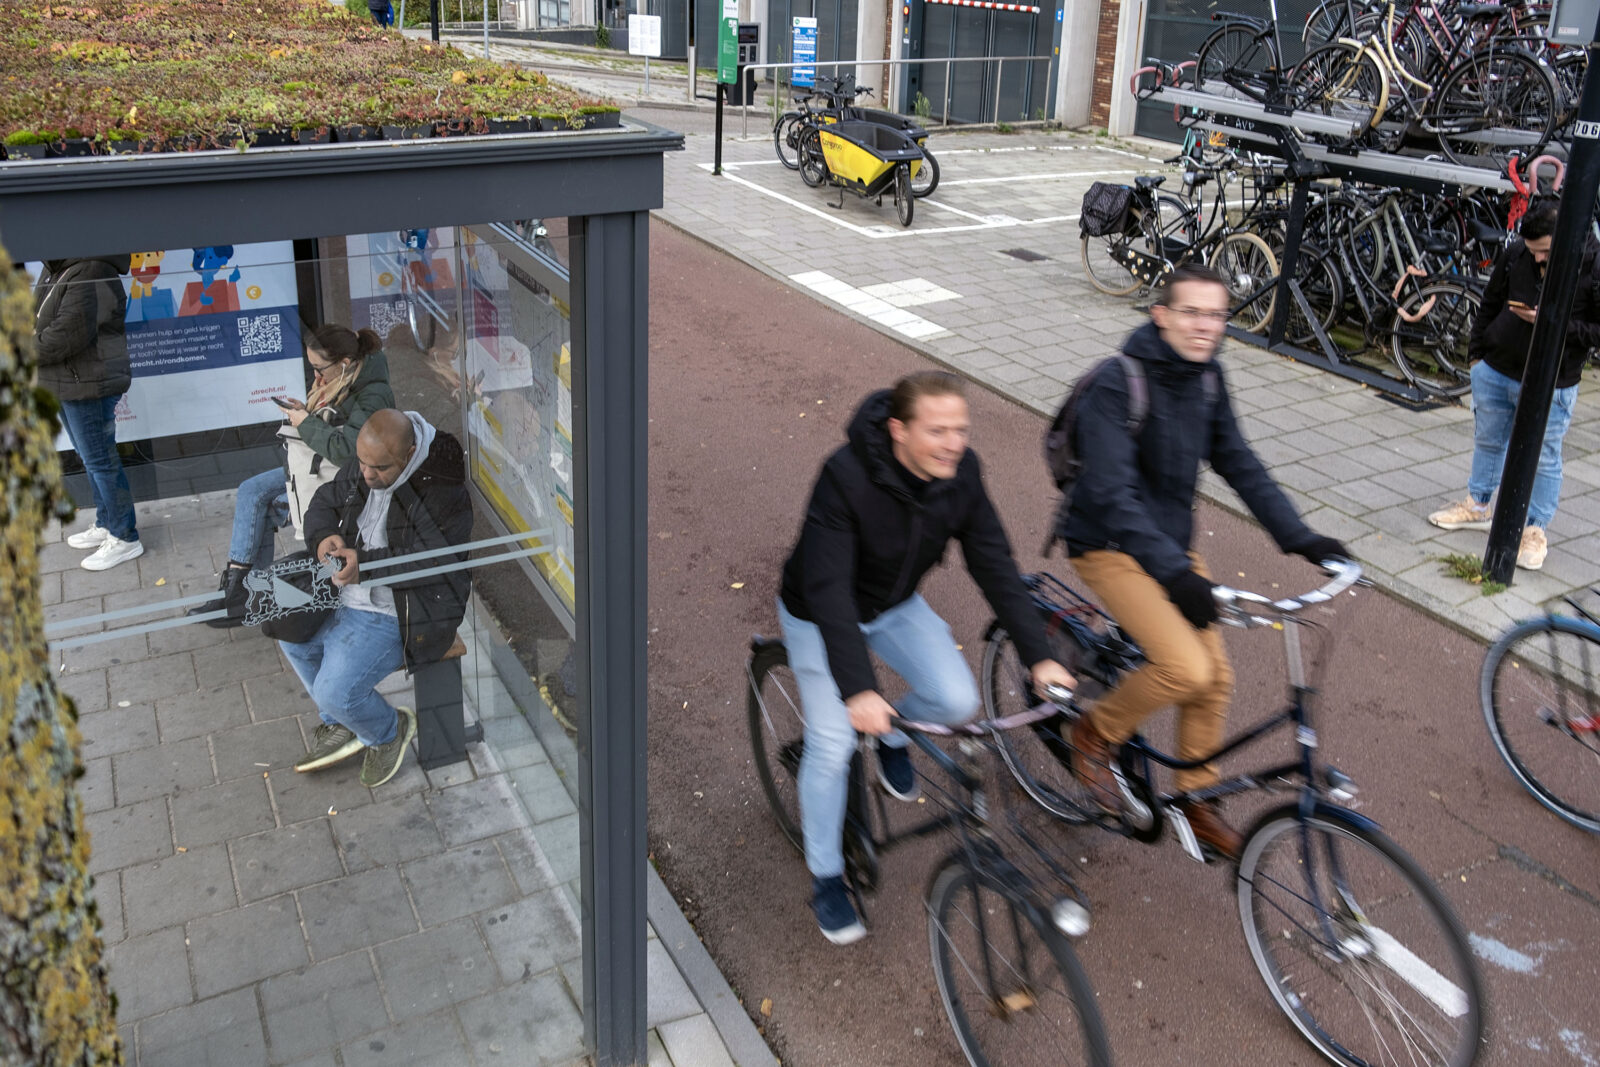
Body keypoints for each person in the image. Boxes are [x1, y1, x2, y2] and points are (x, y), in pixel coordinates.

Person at [1059, 264, 1349, 861]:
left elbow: (1239, 461)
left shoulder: (1208, 379)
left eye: (1216, 315)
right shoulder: (1121, 383)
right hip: (1108, 544)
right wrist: (1175, 575)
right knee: (1186, 669)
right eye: (1191, 312)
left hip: (1169, 546)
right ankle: (1092, 732)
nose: (1205, 326)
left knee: (1216, 679)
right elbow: (1114, 497)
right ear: (1160, 314)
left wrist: (1301, 537)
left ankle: (1196, 797)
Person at [779, 370, 1077, 944]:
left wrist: (1039, 656)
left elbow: (993, 563)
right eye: (937, 430)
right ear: (898, 430)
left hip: (894, 604)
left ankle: (893, 736)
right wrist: (859, 690)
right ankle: (826, 877)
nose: (953, 443)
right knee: (834, 742)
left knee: (958, 700)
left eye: (960, 429)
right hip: (820, 614)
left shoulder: (960, 475)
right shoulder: (844, 476)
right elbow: (829, 590)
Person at [283, 409, 473, 788]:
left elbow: (434, 562)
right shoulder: (373, 457)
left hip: (403, 608)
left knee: (334, 690)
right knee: (294, 638)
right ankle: (343, 721)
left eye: (380, 468)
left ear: (411, 452)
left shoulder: (441, 489)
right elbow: (325, 499)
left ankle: (387, 730)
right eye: (363, 463)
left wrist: (364, 567)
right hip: (350, 587)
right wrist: (323, 537)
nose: (367, 474)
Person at [1427, 200, 1599, 571]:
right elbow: (1490, 301)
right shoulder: (1518, 252)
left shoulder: (1593, 265)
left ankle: (1535, 530)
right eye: (1532, 251)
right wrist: (1477, 356)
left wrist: (1552, 323)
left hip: (1553, 380)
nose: (1537, 259)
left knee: (1545, 454)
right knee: (1488, 439)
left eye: (1544, 252)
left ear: (1566, 239)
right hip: (1496, 367)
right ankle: (1478, 504)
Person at [188, 324, 393, 626]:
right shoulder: (344, 379)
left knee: (267, 509)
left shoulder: (373, 393)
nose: (317, 378)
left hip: (344, 479)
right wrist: (305, 414)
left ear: (345, 363)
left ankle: (244, 596)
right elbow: (332, 424)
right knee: (251, 490)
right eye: (312, 369)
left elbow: (349, 451)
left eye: (321, 369)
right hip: (314, 466)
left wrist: (306, 423)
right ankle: (239, 591)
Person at [34, 254, 145, 571]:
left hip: (89, 383)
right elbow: (40, 319)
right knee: (91, 458)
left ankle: (125, 537)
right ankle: (106, 521)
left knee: (101, 461)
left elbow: (66, 335)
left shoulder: (91, 270)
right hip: (68, 381)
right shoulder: (57, 268)